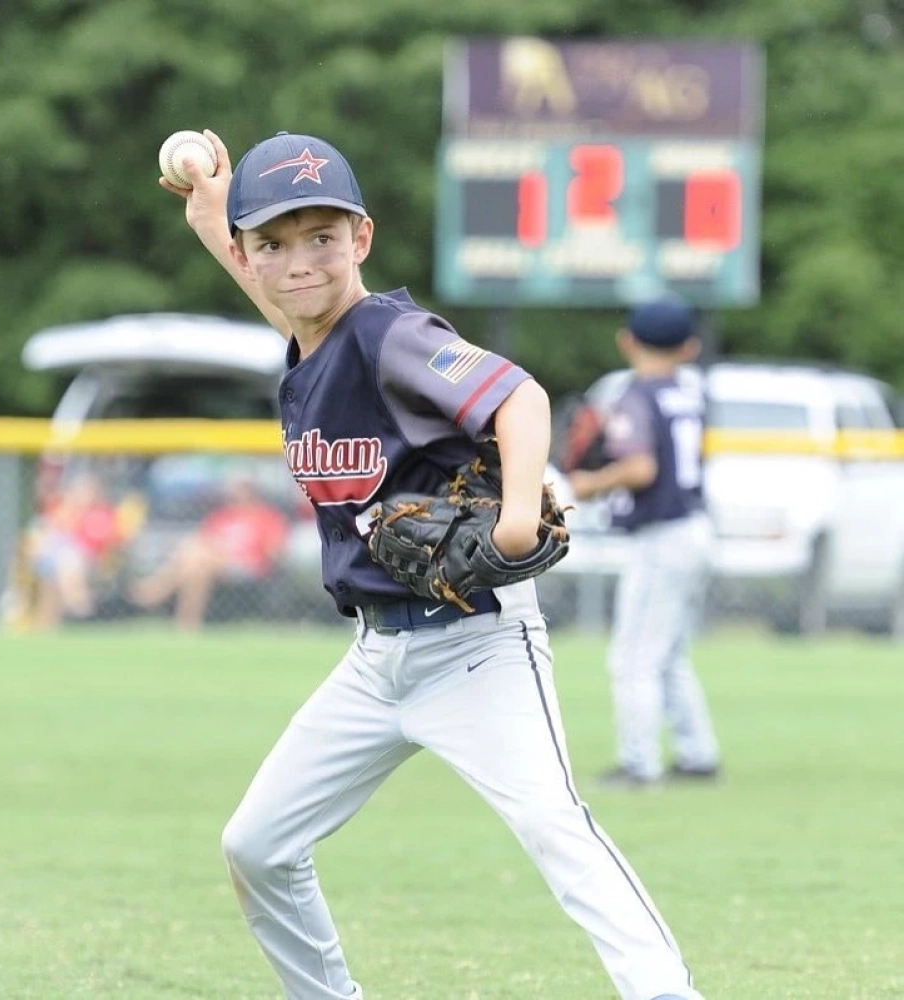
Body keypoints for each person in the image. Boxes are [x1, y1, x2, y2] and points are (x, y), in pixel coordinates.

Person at [160, 128, 704, 1000]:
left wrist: (518, 520)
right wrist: (210, 219)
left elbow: (520, 396)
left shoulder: (390, 333)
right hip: (376, 660)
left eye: (322, 237)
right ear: (250, 255)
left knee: (556, 828)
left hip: (476, 649)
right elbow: (284, 293)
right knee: (255, 845)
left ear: (361, 239)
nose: (300, 263)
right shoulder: (313, 337)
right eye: (273, 244)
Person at [569, 295, 722, 789]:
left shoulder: (636, 394)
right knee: (669, 653)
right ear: (689, 348)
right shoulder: (690, 393)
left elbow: (640, 468)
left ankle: (639, 764)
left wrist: (592, 482)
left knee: (634, 657)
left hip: (662, 536)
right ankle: (698, 754)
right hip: (694, 528)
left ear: (627, 341)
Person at [129, 476, 290, 629]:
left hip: (247, 565)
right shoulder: (221, 516)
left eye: (242, 491)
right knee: (196, 563)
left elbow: (274, 550)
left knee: (196, 557)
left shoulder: (267, 517)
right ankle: (187, 624)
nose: (236, 496)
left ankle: (154, 591)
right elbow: (203, 539)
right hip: (212, 561)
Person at [27, 471, 125, 629]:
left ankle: (83, 613)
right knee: (57, 565)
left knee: (68, 562)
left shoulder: (102, 514)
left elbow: (105, 544)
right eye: (80, 490)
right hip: (60, 560)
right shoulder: (64, 510)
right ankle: (53, 622)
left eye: (87, 490)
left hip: (91, 562)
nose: (83, 494)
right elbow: (47, 535)